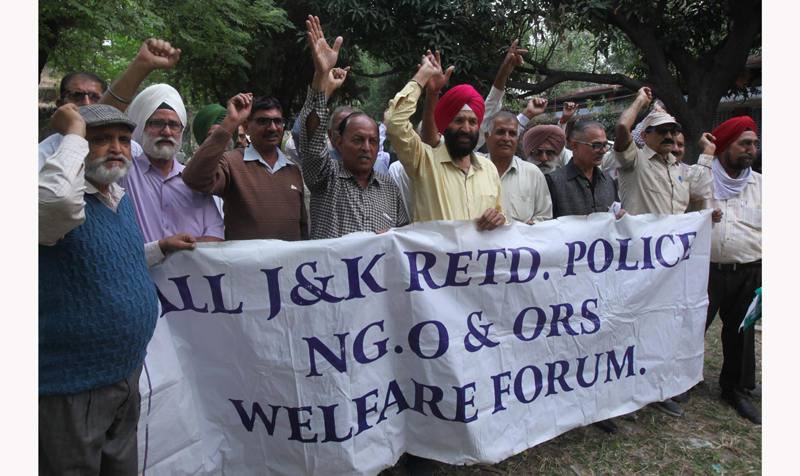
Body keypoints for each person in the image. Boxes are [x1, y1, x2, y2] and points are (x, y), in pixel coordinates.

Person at [38, 104, 170, 475]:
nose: (116, 148)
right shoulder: (61, 201)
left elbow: (110, 263)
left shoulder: (117, 198)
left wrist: (160, 249)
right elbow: (55, 203)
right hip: (71, 385)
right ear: (78, 145)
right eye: (100, 140)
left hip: (125, 375)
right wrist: (73, 130)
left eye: (124, 140)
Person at [296, 16, 409, 240]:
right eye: (357, 140)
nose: (366, 147)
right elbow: (309, 140)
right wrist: (321, 77)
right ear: (339, 142)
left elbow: (405, 235)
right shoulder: (324, 177)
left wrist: (394, 235)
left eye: (373, 141)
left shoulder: (388, 186)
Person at [686, 116, 762, 424]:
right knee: (691, 327)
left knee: (741, 333)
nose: (751, 150)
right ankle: (682, 380)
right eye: (744, 144)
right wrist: (706, 153)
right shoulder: (701, 175)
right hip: (706, 269)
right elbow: (689, 198)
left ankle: (735, 389)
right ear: (725, 146)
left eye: (755, 144)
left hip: (749, 270)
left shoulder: (762, 184)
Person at [384, 50, 506, 231]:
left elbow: (499, 216)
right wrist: (424, 76)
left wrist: (500, 218)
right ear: (445, 125)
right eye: (458, 120)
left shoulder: (489, 169)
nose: (466, 129)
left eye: (473, 122)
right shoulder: (423, 162)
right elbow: (394, 122)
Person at [182, 92, 309, 241]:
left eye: (278, 121)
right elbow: (194, 178)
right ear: (247, 127)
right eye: (264, 121)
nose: (273, 127)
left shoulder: (293, 170)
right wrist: (230, 122)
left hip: (289, 263)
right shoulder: (231, 162)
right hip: (245, 264)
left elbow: (303, 229)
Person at [39, 39, 180, 172]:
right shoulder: (44, 153)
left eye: (95, 97)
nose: (87, 103)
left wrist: (142, 66)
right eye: (76, 95)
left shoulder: (133, 151)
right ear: (60, 104)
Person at [120, 84, 224, 259]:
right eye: (157, 123)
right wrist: (161, 248)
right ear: (142, 127)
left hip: (188, 282)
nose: (166, 131)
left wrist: (175, 256)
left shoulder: (194, 179)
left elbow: (216, 235)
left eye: (174, 125)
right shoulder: (124, 174)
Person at [482, 110, 551, 224]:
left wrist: (535, 226)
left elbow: (545, 215)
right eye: (500, 132)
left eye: (512, 134)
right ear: (487, 137)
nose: (506, 138)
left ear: (517, 139)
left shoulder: (532, 173)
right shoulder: (473, 170)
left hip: (522, 241)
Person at [546, 119, 623, 219]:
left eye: (605, 145)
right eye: (597, 146)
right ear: (576, 146)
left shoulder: (607, 180)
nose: (603, 151)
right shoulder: (553, 182)